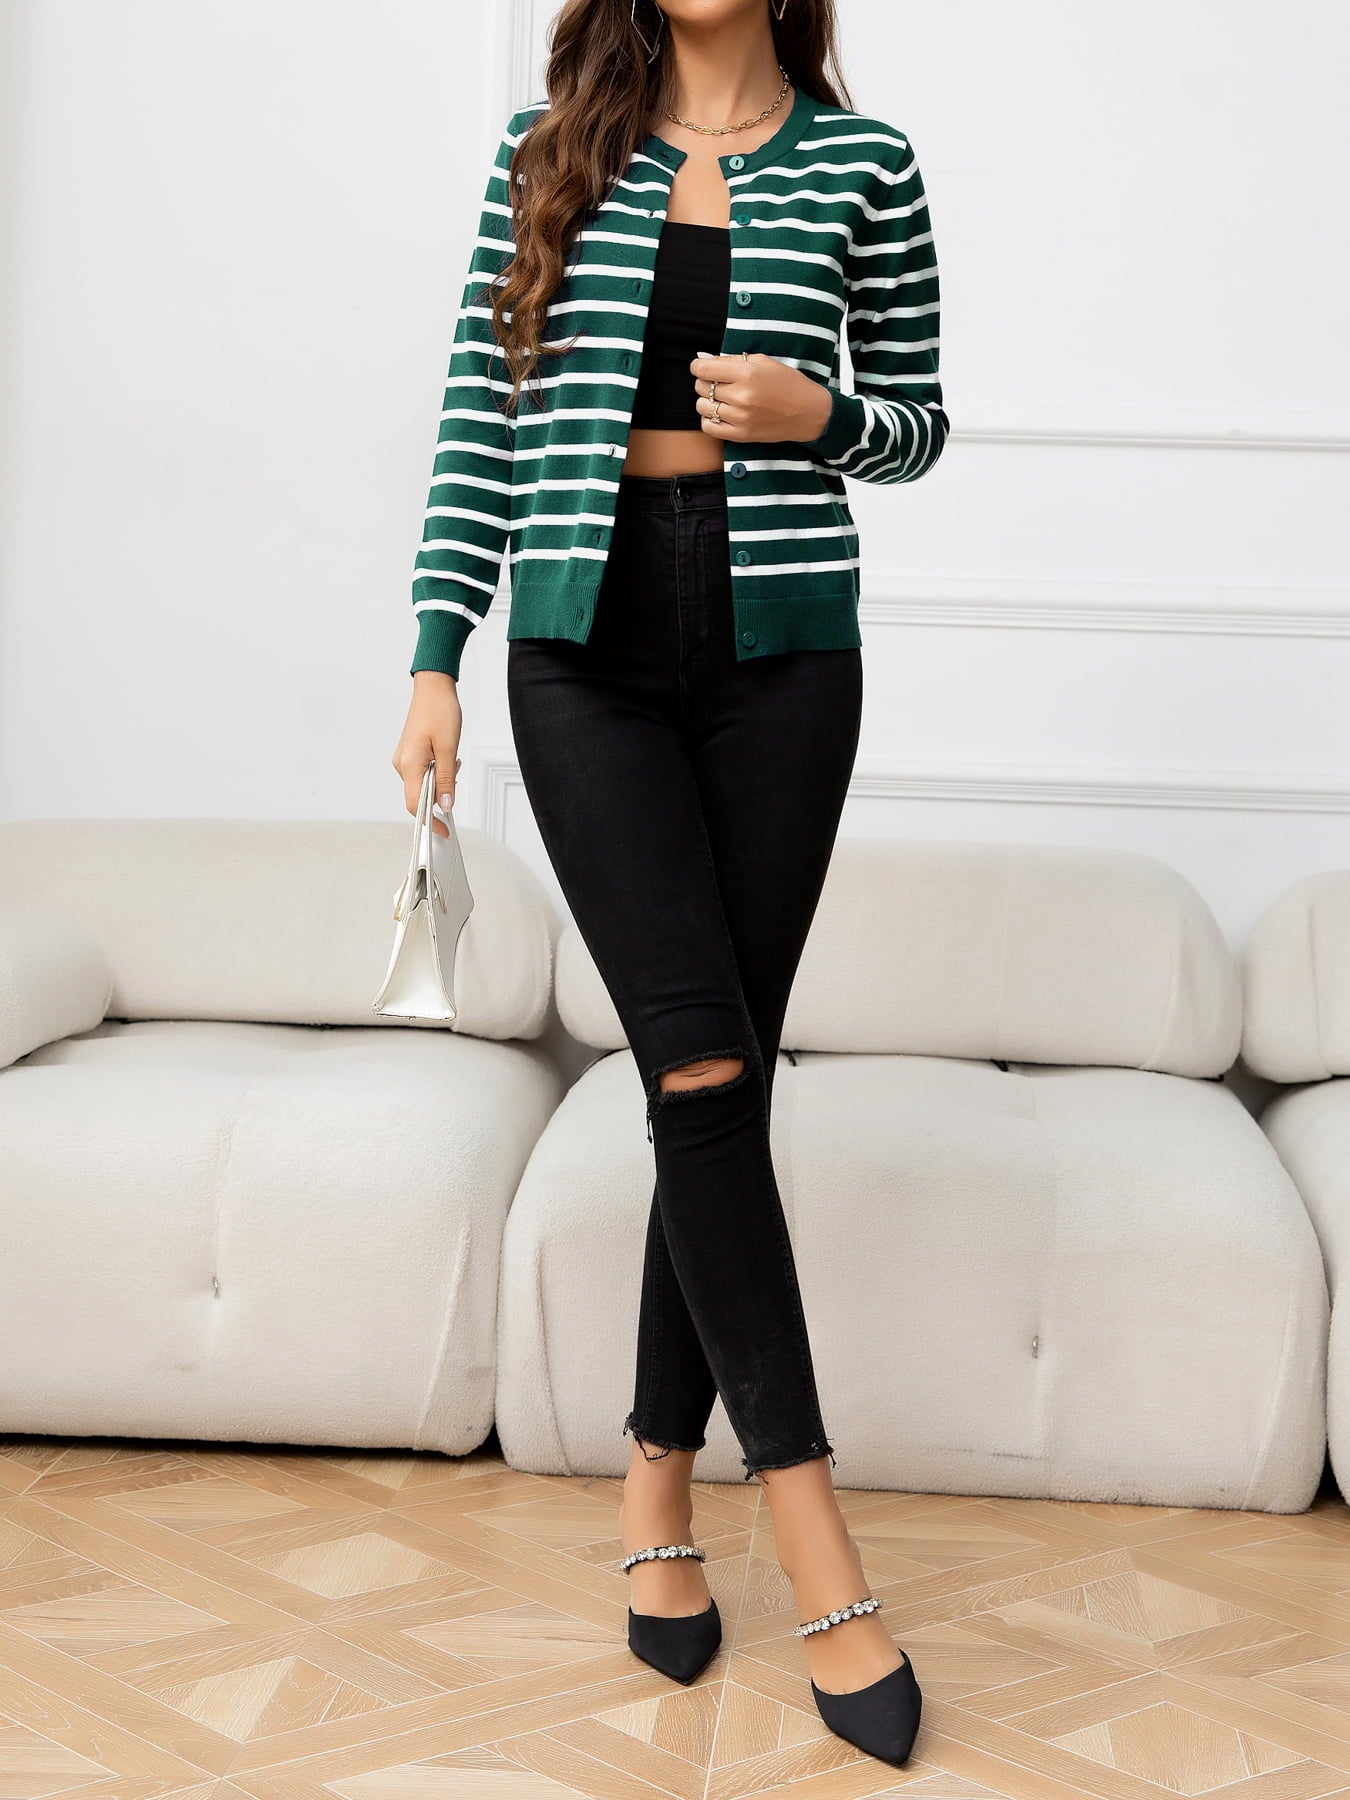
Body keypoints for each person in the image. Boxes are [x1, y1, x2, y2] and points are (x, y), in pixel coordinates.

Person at [391, 0, 947, 1768]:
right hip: (583, 650)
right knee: (698, 1066)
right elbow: (480, 413)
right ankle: (815, 1542)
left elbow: (922, 423)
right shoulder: (543, 152)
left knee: (711, 1090)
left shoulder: (864, 163)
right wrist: (434, 656)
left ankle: (654, 1482)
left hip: (785, 658)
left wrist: (819, 412)